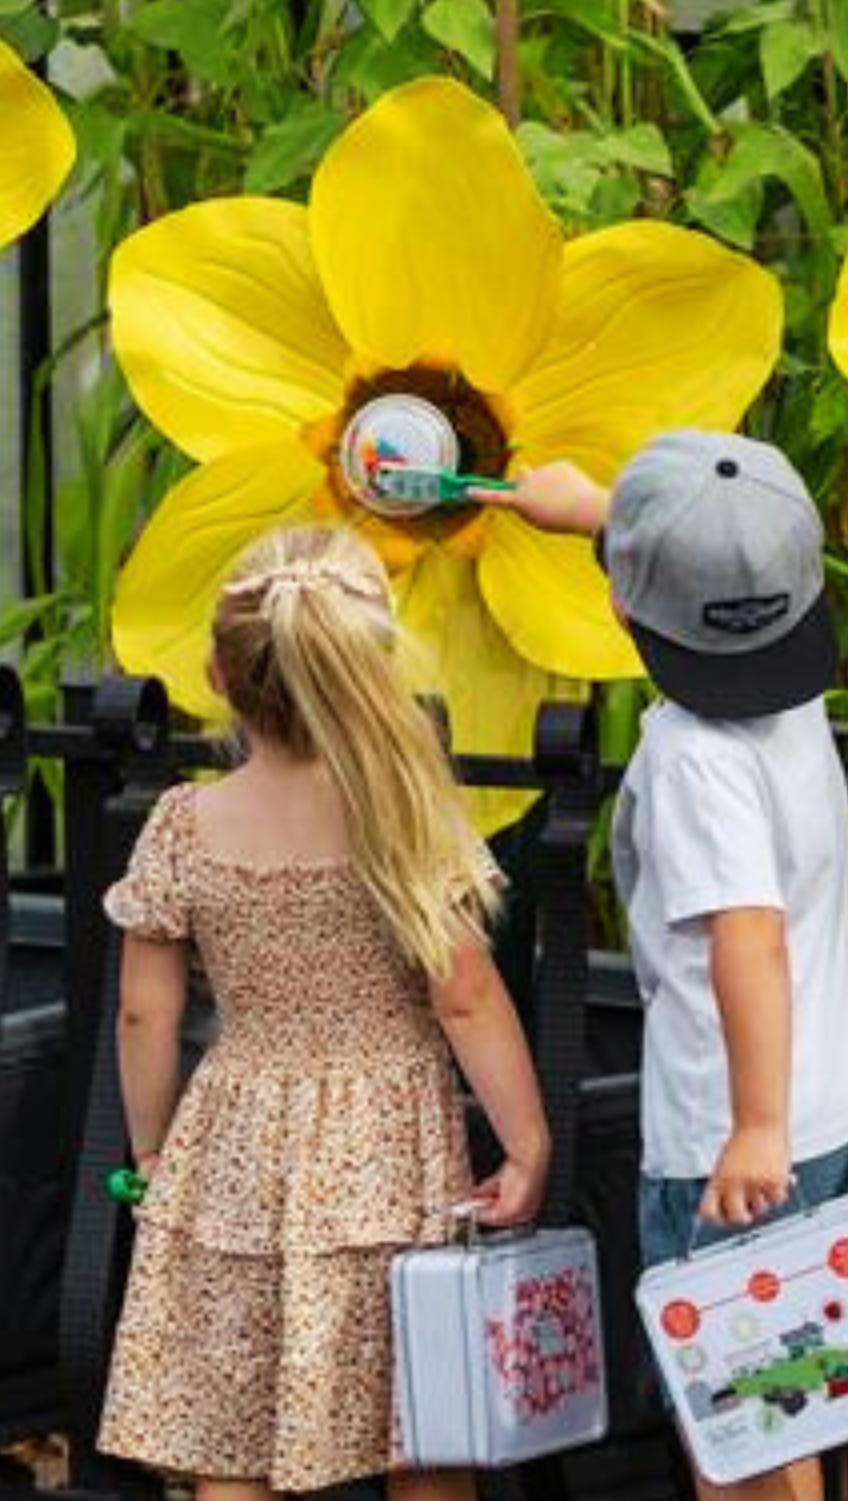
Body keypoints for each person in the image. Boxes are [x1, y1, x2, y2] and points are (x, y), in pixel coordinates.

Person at [97, 524, 551, 1499]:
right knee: (423, 1421)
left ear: (218, 675)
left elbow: (144, 1011)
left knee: (231, 1426)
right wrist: (525, 1142)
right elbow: (465, 995)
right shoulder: (405, 816)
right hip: (389, 1155)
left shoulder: (183, 823)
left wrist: (149, 1149)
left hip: (234, 1146)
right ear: (368, 667)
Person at [486, 433, 848, 1501]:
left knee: (743, 1442)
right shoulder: (790, 695)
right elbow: (716, 565)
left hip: (736, 1141)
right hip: (839, 1115)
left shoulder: (689, 755)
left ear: (622, 611)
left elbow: (745, 931)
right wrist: (593, 514)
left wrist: (752, 1126)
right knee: (816, 1402)